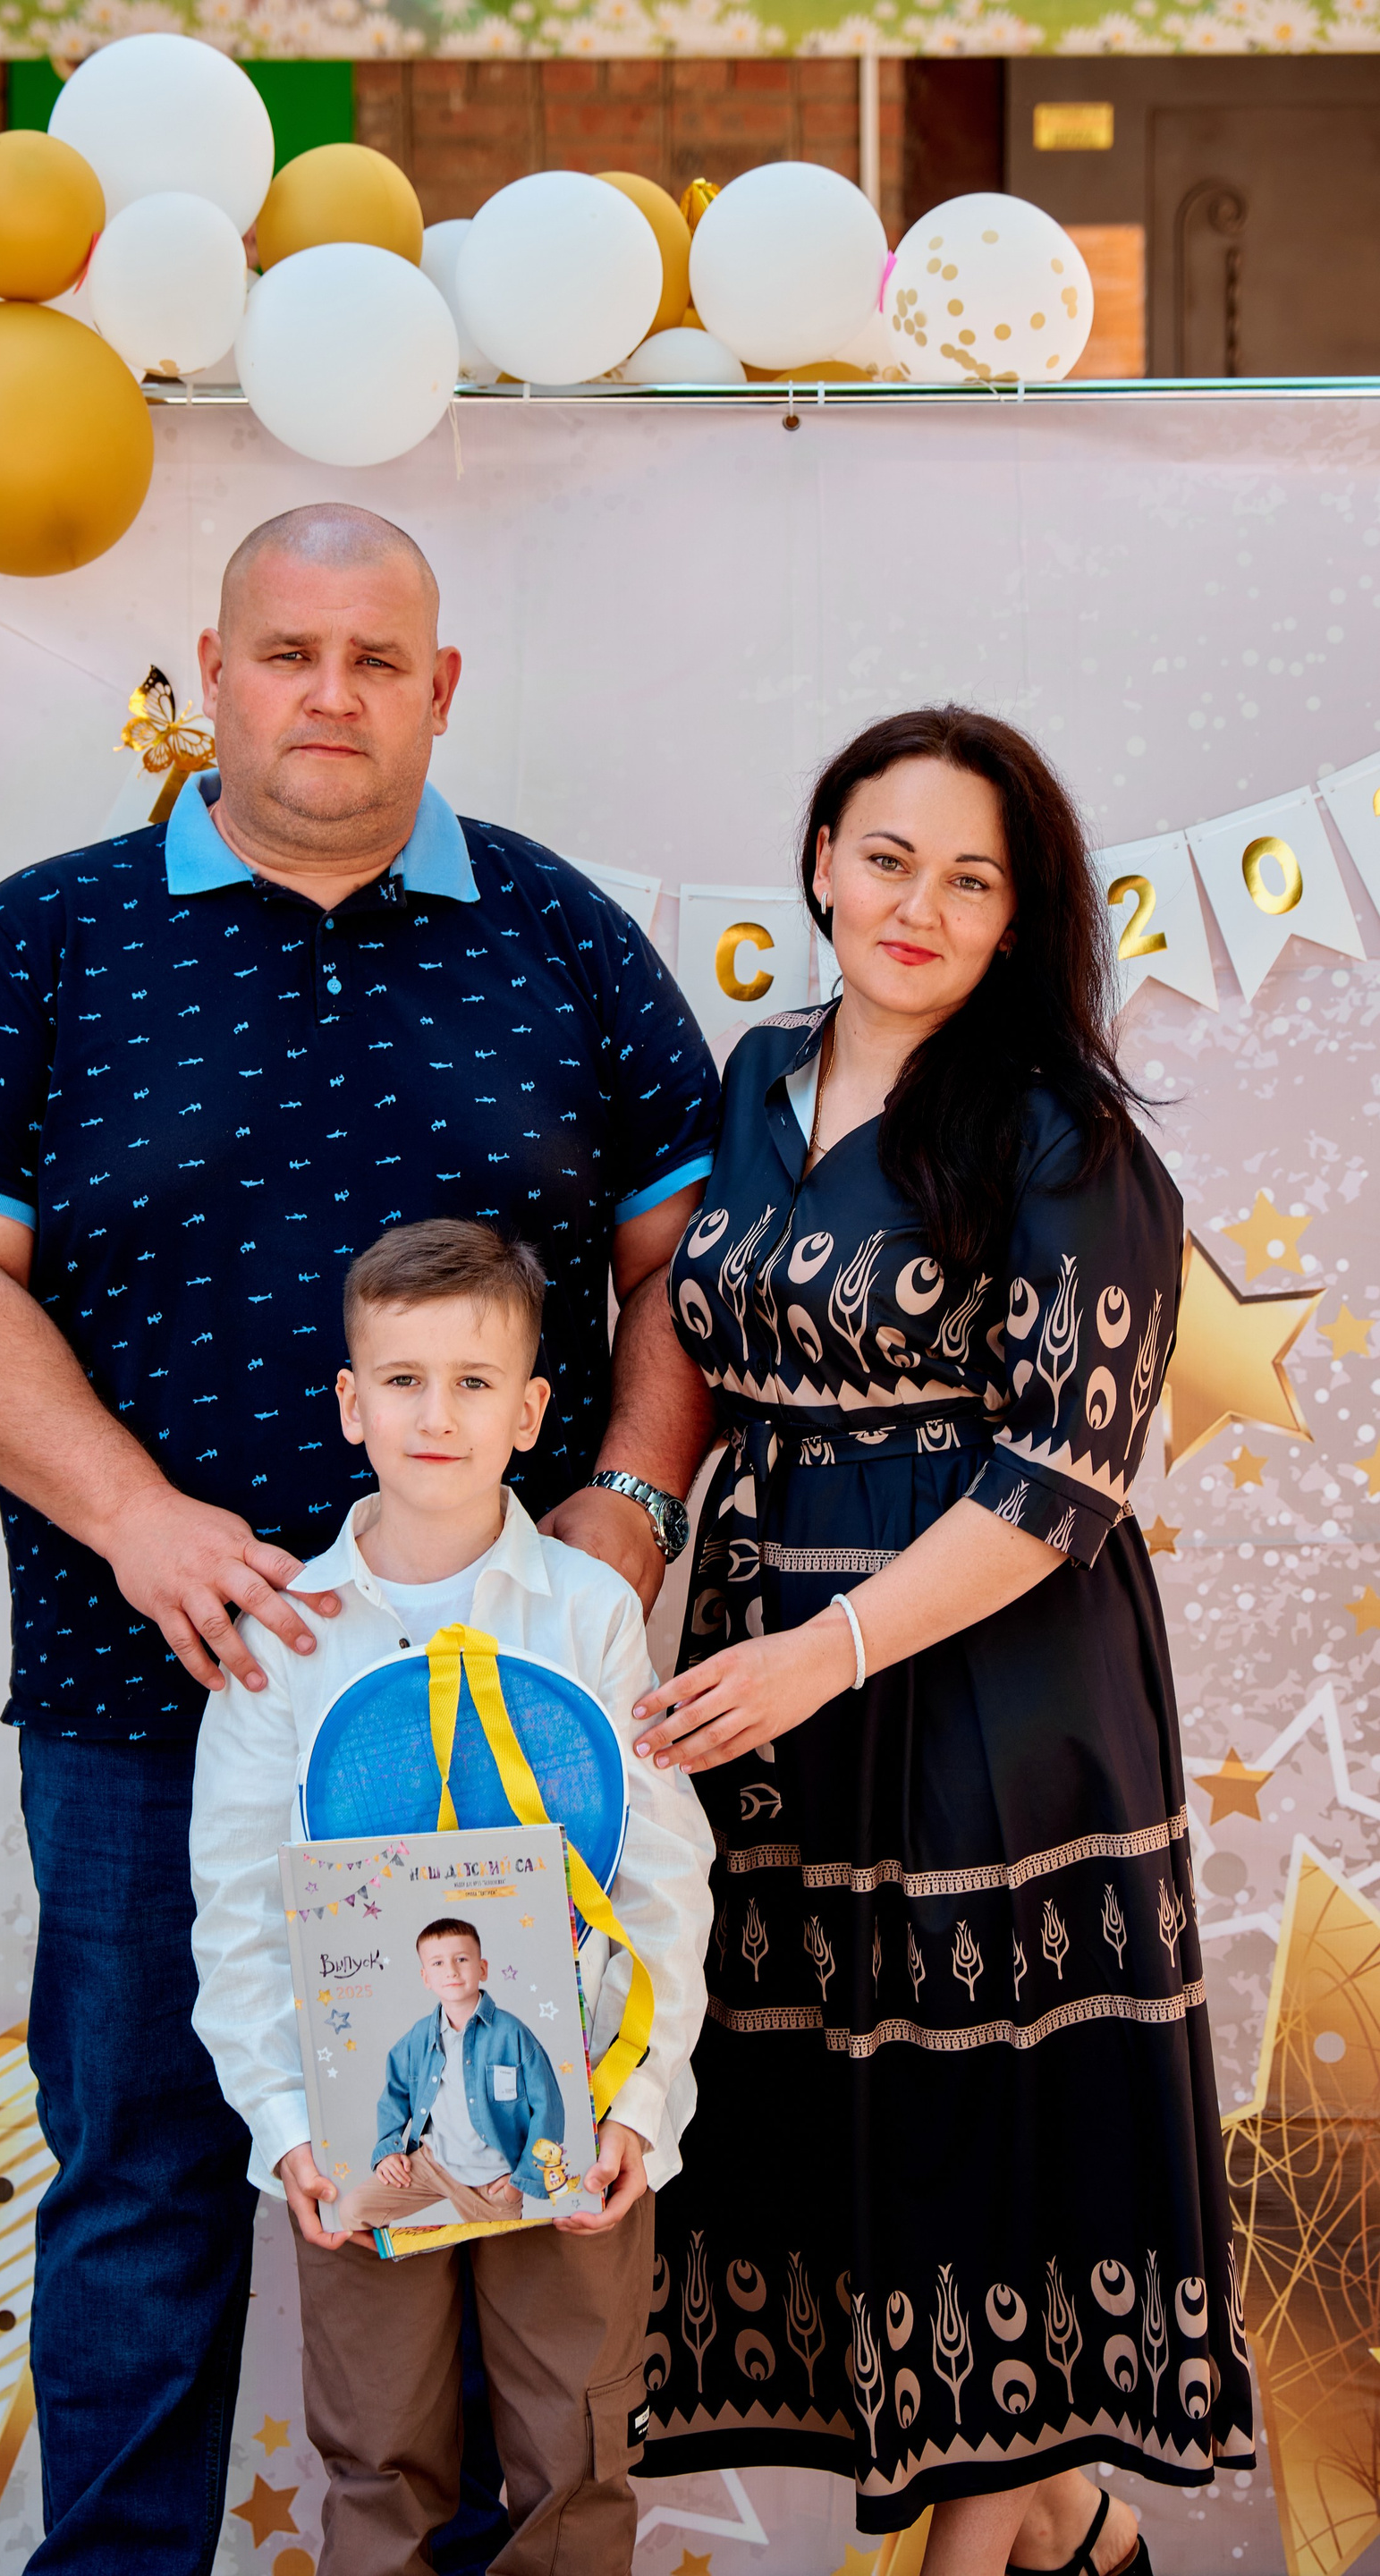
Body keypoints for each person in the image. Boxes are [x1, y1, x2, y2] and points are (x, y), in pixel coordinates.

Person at [0, 504, 717, 2576]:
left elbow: (690, 1264)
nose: (331, 693)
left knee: (503, 2190)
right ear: (216, 672)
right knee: (146, 2183)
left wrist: (626, 1509)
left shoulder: (561, 934)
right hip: (151, 1693)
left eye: (375, 657)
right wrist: (136, 1519)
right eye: (289, 652)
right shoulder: (48, 937)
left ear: (441, 687)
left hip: (510, 1716)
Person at [628, 708, 1255, 2576]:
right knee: (846, 2121)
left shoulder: (1065, 1135)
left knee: (987, 2124)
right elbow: (689, 1333)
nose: (920, 905)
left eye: (971, 879)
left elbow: (1064, 1476)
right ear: (822, 859)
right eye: (890, 858)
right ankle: (1070, 2528)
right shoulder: (755, 1079)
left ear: (1016, 916)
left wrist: (824, 1653)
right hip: (769, 1680)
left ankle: (992, 2548)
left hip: (991, 1681)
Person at [189, 1218, 715, 2575]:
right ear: (349, 1403)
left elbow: (661, 1876)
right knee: (379, 2461)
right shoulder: (285, 1639)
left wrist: (638, 2109)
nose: (437, 1415)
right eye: (405, 1380)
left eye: (475, 1382)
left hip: (574, 2111)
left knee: (576, 2461)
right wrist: (290, 2131)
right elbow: (237, 1913)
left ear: (532, 1412)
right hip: (362, 2136)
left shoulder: (589, 1615)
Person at [335, 1918, 567, 2234]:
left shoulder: (512, 2035)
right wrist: (388, 2149)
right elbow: (395, 2094)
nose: (451, 1971)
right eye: (438, 1963)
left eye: (461, 1959)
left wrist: (522, 2180)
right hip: (434, 2163)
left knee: (502, 2257)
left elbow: (548, 2110)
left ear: (482, 1968)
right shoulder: (418, 2038)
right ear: (425, 1977)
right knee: (353, 2211)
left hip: (491, 2181)